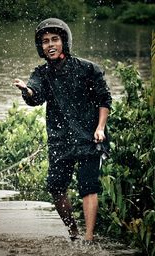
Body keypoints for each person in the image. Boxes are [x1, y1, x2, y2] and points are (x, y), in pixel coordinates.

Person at [13, 18, 112, 243]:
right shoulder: (41, 73)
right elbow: (35, 95)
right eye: (45, 41)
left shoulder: (87, 68)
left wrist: (100, 128)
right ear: (41, 46)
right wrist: (27, 90)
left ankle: (88, 238)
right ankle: (74, 233)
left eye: (55, 39)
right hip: (60, 140)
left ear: (64, 41)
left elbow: (104, 99)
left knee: (88, 187)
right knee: (56, 187)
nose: (50, 45)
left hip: (90, 137)